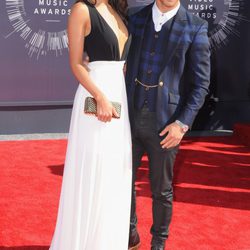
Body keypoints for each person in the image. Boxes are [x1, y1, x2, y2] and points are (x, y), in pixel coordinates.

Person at [126, 0, 211, 249]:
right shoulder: (134, 17)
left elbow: (201, 85)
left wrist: (182, 124)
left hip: (166, 124)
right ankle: (130, 233)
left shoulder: (195, 26)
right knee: (122, 181)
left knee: (161, 190)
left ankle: (158, 243)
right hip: (128, 118)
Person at [49, 0, 132, 249]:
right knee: (94, 169)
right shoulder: (82, 10)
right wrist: (100, 97)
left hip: (119, 96)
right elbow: (76, 63)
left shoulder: (118, 10)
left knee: (114, 172)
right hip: (95, 98)